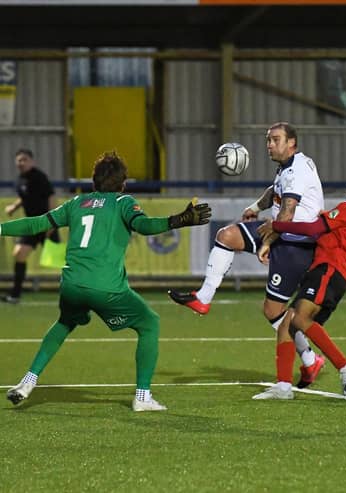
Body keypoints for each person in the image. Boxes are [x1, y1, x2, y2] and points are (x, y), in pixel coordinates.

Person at [3, 151, 211, 412]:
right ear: (123, 182)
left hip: (71, 286)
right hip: (105, 289)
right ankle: (143, 397)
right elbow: (143, 226)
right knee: (149, 323)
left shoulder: (77, 202)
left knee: (65, 323)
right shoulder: (124, 202)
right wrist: (178, 220)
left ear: (94, 180)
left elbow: (37, 224)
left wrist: (1, 228)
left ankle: (27, 381)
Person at [168, 122, 326, 388]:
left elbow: (288, 212)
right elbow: (275, 192)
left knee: (273, 311)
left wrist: (268, 243)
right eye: (268, 140)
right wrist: (255, 207)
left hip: (294, 243)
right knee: (226, 236)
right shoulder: (288, 165)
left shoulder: (298, 170)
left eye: (275, 139)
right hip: (279, 232)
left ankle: (310, 360)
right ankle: (203, 298)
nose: (269, 145)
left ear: (292, 143)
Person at [252, 168, 346, 400]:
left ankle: (345, 367)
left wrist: (278, 225)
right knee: (288, 324)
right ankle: (284, 387)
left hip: (328, 271)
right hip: (333, 275)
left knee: (299, 319)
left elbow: (314, 228)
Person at [3, 148, 60, 303]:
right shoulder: (20, 180)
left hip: (46, 223)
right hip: (31, 225)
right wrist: (14, 207)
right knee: (19, 253)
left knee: (63, 262)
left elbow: (51, 197)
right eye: (19, 160)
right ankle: (15, 295)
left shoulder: (39, 177)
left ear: (31, 161)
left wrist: (52, 222)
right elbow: (25, 197)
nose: (21, 163)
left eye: (25, 159)